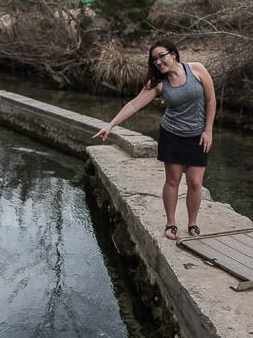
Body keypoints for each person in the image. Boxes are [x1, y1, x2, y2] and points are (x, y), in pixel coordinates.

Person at [92, 39, 216, 240]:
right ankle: (171, 223)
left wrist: (208, 130)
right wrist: (111, 125)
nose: (158, 62)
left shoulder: (197, 70)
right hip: (172, 135)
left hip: (197, 135)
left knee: (195, 182)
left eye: (161, 56)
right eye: (154, 60)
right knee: (173, 180)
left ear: (173, 54)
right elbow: (133, 105)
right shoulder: (158, 84)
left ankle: (192, 224)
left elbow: (211, 100)